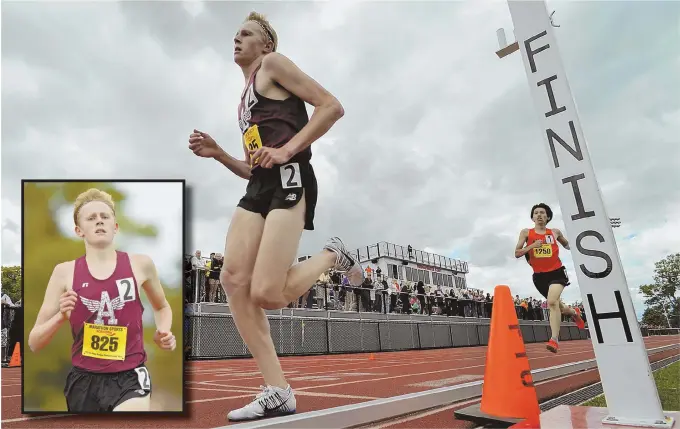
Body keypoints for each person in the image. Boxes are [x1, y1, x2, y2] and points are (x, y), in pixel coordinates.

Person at [187, 11, 364, 422]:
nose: (236, 38)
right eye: (234, 34)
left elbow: (331, 107)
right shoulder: (244, 101)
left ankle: (330, 255)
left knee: (267, 293)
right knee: (233, 280)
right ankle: (278, 390)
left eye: (245, 33)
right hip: (260, 186)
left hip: (291, 177)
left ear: (266, 44)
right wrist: (219, 154)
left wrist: (287, 150)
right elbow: (253, 167)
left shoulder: (273, 65)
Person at [28, 188, 176, 412]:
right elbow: (34, 342)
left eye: (105, 216)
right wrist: (60, 317)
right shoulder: (64, 272)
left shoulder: (141, 264)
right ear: (79, 230)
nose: (99, 221)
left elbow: (162, 306)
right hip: (83, 382)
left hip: (130, 377)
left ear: (115, 226)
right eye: (91, 218)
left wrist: (163, 331)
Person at [514, 203, 585, 353]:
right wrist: (532, 246)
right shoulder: (526, 233)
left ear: (548, 217)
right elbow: (517, 253)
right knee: (558, 305)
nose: (539, 215)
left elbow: (568, 245)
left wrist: (582, 239)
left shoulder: (555, 232)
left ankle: (554, 339)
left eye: (542, 213)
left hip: (557, 272)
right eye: (536, 213)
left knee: (551, 302)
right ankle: (573, 313)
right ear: (532, 217)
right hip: (539, 277)